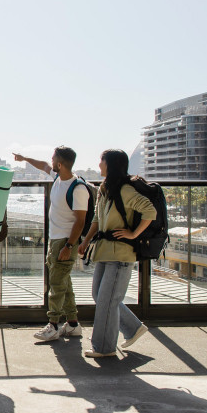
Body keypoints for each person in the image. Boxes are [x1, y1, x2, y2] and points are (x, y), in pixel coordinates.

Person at [76, 150, 154, 358]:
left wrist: (133, 233)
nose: (98, 164)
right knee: (100, 296)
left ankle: (104, 348)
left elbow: (150, 211)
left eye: (101, 160)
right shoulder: (105, 188)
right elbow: (96, 218)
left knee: (107, 300)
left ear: (110, 164)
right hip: (104, 251)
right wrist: (85, 241)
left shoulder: (125, 189)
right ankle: (133, 328)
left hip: (120, 254)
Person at [14, 147, 88, 342]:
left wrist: (69, 246)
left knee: (56, 284)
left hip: (65, 242)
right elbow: (42, 165)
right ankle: (72, 324)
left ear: (61, 164)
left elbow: (80, 221)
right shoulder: (57, 179)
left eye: (54, 158)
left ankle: (53, 325)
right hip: (56, 240)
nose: (51, 161)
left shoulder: (77, 188)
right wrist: (24, 158)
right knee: (64, 283)